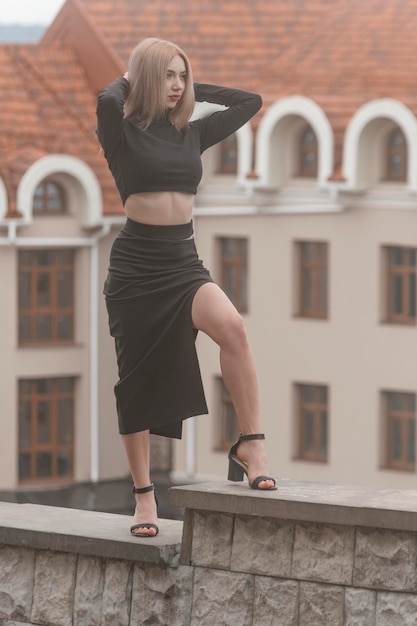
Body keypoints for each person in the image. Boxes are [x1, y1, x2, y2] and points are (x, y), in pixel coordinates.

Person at [96, 37, 276, 538]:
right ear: (149, 79)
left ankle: (251, 446)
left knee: (233, 328)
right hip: (135, 270)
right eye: (169, 76)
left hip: (182, 262)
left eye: (183, 76)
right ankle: (144, 499)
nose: (177, 86)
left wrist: (195, 86)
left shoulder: (190, 133)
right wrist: (135, 76)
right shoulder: (121, 131)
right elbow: (109, 98)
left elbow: (249, 103)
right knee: (135, 382)